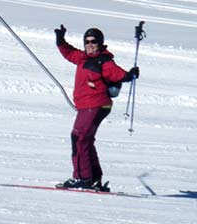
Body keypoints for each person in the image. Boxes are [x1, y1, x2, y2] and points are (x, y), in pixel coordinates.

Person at [54, 24, 139, 191]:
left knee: (79, 138)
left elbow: (119, 74)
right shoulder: (82, 57)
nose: (90, 45)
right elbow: (69, 53)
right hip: (88, 106)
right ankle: (93, 177)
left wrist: (130, 75)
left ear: (100, 43)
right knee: (85, 139)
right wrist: (60, 40)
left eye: (93, 41)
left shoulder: (104, 61)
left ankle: (82, 177)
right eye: (87, 42)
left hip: (96, 104)